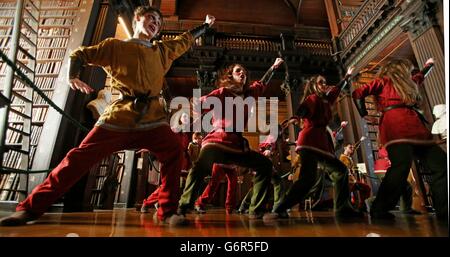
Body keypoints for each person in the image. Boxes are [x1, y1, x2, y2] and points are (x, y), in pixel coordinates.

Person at [0, 6, 216, 226]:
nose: (156, 24)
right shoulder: (113, 47)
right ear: (138, 19)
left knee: (173, 151)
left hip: (152, 117)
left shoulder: (162, 50)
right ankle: (30, 209)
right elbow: (80, 54)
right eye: (152, 18)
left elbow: (186, 39)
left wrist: (206, 26)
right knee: (76, 159)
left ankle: (168, 212)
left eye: (159, 22)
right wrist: (72, 75)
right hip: (119, 116)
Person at [177, 58, 284, 219]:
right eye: (238, 71)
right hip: (217, 140)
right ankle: (183, 208)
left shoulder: (249, 94)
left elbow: (262, 83)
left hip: (237, 144)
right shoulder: (222, 93)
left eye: (244, 72)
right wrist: (190, 112)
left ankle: (255, 210)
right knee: (200, 168)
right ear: (230, 76)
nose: (243, 73)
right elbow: (199, 104)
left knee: (265, 165)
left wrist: (273, 67)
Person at [352, 58, 447, 220]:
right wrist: (365, 115)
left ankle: (445, 209)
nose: (410, 72)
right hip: (395, 125)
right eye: (407, 69)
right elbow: (358, 93)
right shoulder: (384, 81)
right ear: (398, 69)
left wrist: (429, 65)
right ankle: (379, 209)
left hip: (415, 125)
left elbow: (421, 75)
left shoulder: (409, 82)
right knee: (401, 167)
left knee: (441, 164)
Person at [264, 66, 363, 221]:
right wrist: (297, 117)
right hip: (310, 140)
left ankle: (343, 209)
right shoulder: (313, 98)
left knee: (340, 171)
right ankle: (279, 209)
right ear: (314, 86)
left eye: (325, 82)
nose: (324, 85)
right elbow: (304, 108)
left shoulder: (325, 100)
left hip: (320, 142)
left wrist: (347, 77)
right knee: (308, 179)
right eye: (320, 83)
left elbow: (335, 91)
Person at [139, 111, 192, 213]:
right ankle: (147, 203)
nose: (186, 119)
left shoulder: (184, 135)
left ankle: (176, 205)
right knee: (167, 184)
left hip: (182, 161)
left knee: (176, 185)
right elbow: (160, 141)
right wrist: (147, 148)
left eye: (188, 118)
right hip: (170, 160)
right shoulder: (172, 130)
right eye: (184, 117)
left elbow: (184, 150)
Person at [372, 147, 421, 215]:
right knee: (403, 187)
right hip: (384, 168)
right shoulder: (387, 145)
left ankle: (405, 208)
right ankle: (373, 204)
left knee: (402, 188)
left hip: (382, 168)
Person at [339, 143, 371, 211]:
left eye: (353, 148)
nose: (352, 149)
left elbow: (351, 168)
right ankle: (361, 205)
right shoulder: (343, 158)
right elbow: (347, 171)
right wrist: (354, 180)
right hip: (348, 182)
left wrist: (359, 168)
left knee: (366, 188)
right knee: (366, 188)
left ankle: (362, 205)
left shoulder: (349, 158)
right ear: (345, 148)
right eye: (350, 147)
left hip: (351, 182)